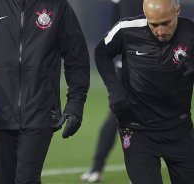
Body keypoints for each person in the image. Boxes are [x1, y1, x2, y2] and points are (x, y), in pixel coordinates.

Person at [95, 0, 194, 183]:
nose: (161, 31)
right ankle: (96, 167)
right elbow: (101, 53)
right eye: (154, 24)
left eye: (166, 23)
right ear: (144, 14)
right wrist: (115, 89)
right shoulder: (126, 29)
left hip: (179, 131)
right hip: (137, 130)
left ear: (177, 11)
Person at [0, 0, 90, 183]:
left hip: (41, 110)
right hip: (0, 112)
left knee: (27, 179)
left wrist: (76, 104)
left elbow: (76, 58)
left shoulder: (57, 5)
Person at [80, 0, 143, 183]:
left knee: (122, 116)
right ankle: (98, 167)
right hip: (132, 64)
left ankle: (98, 168)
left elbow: (114, 25)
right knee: (120, 115)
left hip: (135, 63)